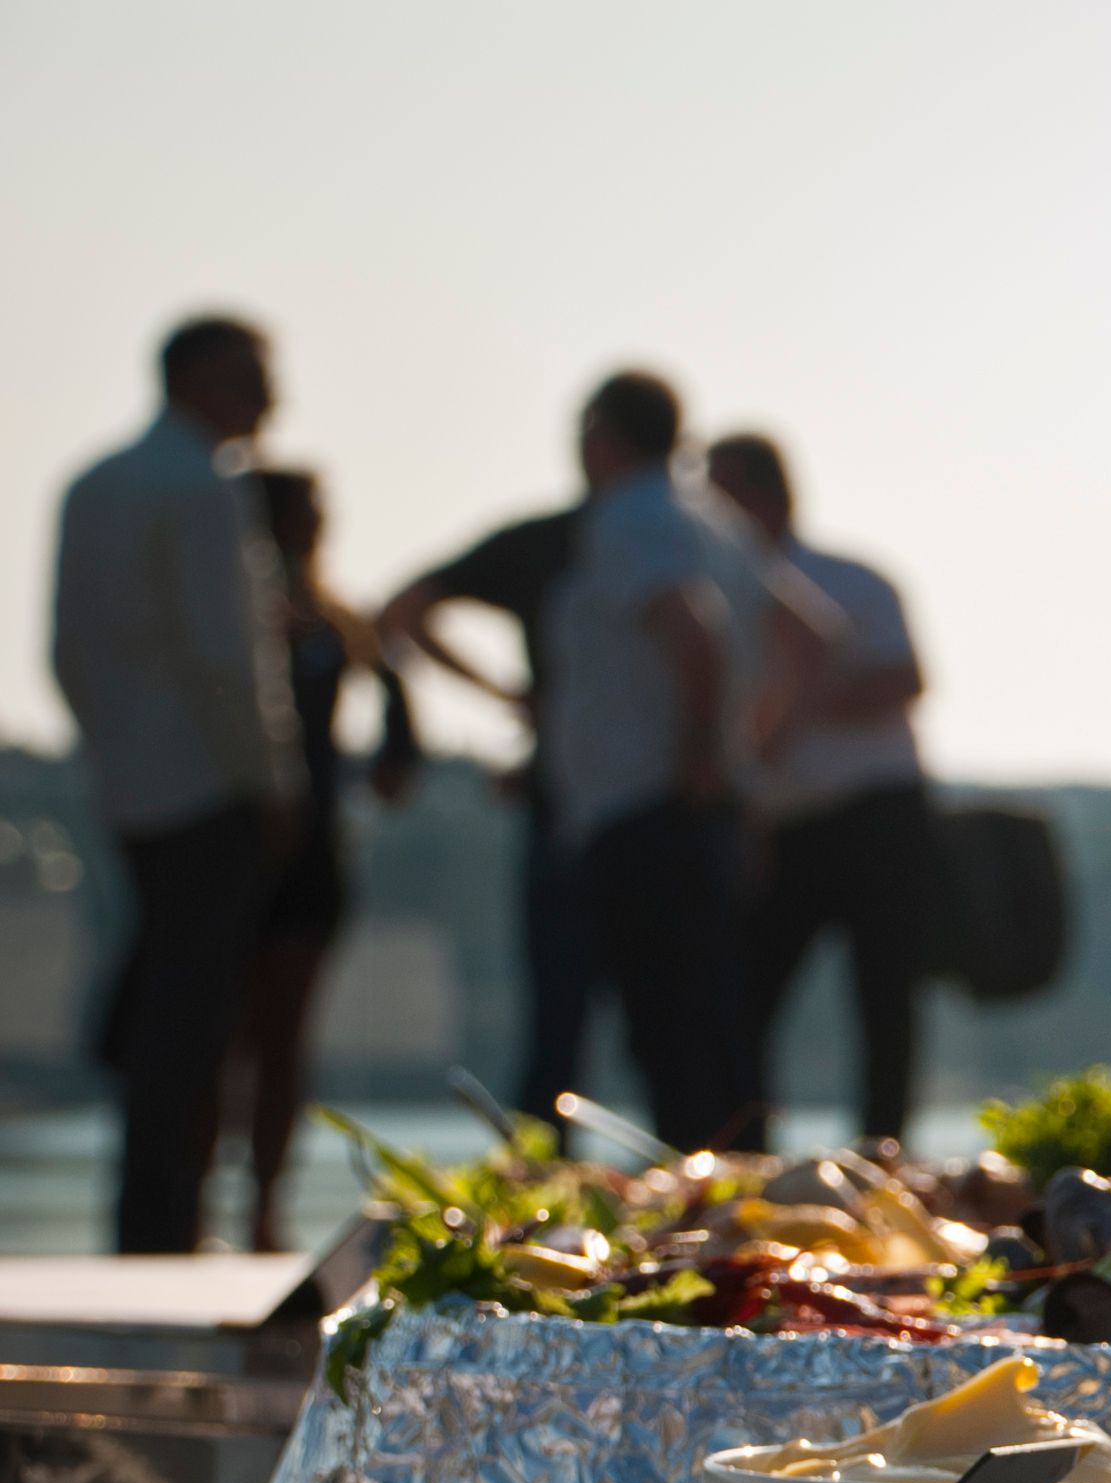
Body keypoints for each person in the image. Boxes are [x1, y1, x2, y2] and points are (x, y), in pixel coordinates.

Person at [47, 315, 299, 1253]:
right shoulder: (202, 488)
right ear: (197, 378)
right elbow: (229, 655)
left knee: (164, 1004)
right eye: (253, 375)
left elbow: (65, 651)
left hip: (131, 783)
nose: (272, 399)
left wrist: (111, 751)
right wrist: (271, 777)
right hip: (206, 787)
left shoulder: (92, 485)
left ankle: (147, 1215)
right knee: (191, 1019)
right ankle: (163, 1225)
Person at [539, 370, 831, 1152]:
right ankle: (743, 1206)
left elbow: (690, 626)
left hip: (651, 804)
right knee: (716, 1027)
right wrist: (749, 755)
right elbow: (805, 635)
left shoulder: (632, 516)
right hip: (705, 805)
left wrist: (704, 750)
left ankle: (707, 1223)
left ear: (603, 432)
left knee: (670, 1032)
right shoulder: (715, 520)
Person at [706, 432, 934, 1147]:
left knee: (885, 1002)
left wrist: (798, 701)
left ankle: (883, 1155)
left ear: (764, 496)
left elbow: (904, 678)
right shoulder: (716, 592)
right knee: (744, 999)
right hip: (785, 826)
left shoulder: (855, 580)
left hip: (878, 817)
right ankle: (747, 1155)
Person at [234, 468, 417, 1248]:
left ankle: (264, 1206)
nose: (313, 529)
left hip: (309, 846)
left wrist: (393, 762)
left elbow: (397, 697)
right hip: (238, 839)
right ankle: (191, 1193)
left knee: (284, 1033)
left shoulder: (335, 619)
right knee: (220, 1028)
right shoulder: (236, 610)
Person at [381, 495, 591, 1124]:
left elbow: (404, 610)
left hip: (565, 799)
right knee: (682, 1027)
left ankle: (543, 1186)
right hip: (672, 808)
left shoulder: (549, 539)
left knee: (556, 1015)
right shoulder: (691, 536)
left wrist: (512, 698)